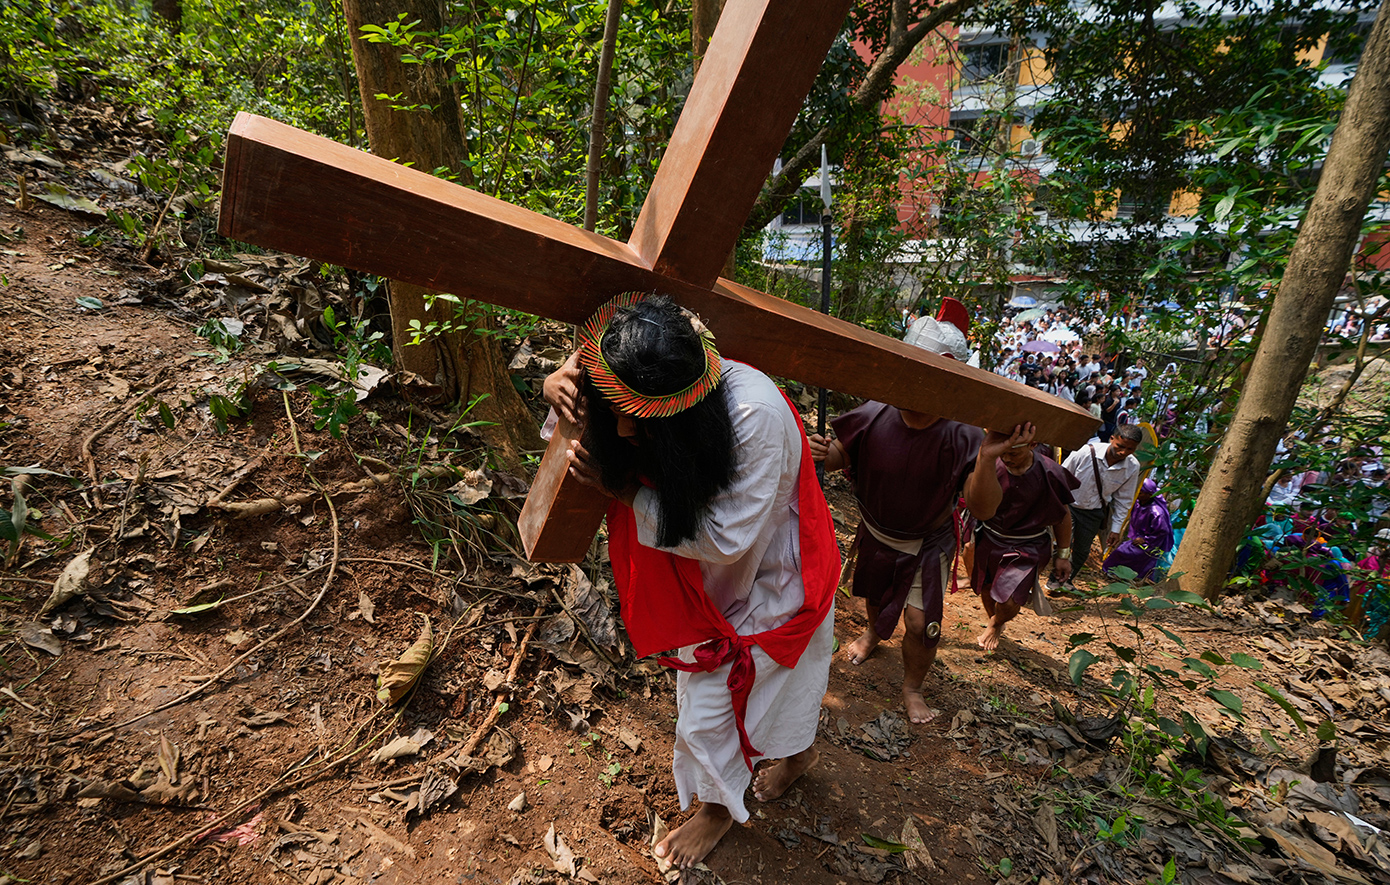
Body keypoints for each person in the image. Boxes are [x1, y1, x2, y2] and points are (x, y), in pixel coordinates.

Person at [542, 293, 838, 870]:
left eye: (640, 416)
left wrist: (625, 492)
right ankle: (793, 756)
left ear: (683, 409)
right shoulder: (625, 378)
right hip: (703, 576)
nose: (624, 428)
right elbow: (584, 431)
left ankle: (719, 809)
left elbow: (728, 538)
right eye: (615, 406)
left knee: (723, 704)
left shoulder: (754, 417)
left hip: (774, 575)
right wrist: (559, 391)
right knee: (772, 696)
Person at [809, 299, 989, 724]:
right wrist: (824, 451)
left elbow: (980, 504)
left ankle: (912, 686)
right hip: (875, 530)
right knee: (872, 595)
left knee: (922, 622)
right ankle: (873, 631)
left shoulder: (964, 433)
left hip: (928, 540)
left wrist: (989, 459)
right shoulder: (874, 412)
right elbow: (841, 454)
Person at [967, 422, 1079, 650]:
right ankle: (994, 619)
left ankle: (997, 621)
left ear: (1033, 444)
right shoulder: (991, 465)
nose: (1007, 458)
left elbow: (1062, 515)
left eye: (1014, 452)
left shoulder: (1050, 472)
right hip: (990, 536)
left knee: (1009, 600)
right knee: (987, 587)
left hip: (1029, 545)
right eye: (1003, 452)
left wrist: (1063, 554)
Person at [1059, 424, 1143, 588]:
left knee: (1082, 552)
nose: (1123, 452)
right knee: (1063, 545)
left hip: (1094, 512)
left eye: (1130, 449)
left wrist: (1116, 529)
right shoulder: (1085, 452)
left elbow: (1124, 499)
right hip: (1069, 507)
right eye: (1120, 446)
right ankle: (1055, 579)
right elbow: (1061, 476)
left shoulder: (1132, 467)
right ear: (1112, 439)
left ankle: (1065, 581)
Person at [1102, 477, 1174, 581]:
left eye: (1141, 492)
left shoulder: (1156, 512)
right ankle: (1116, 573)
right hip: (1138, 538)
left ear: (1149, 494)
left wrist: (1145, 539)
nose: (1138, 494)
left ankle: (1122, 575)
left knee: (1124, 552)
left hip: (1151, 543)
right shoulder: (1138, 504)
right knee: (1122, 550)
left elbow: (1162, 531)